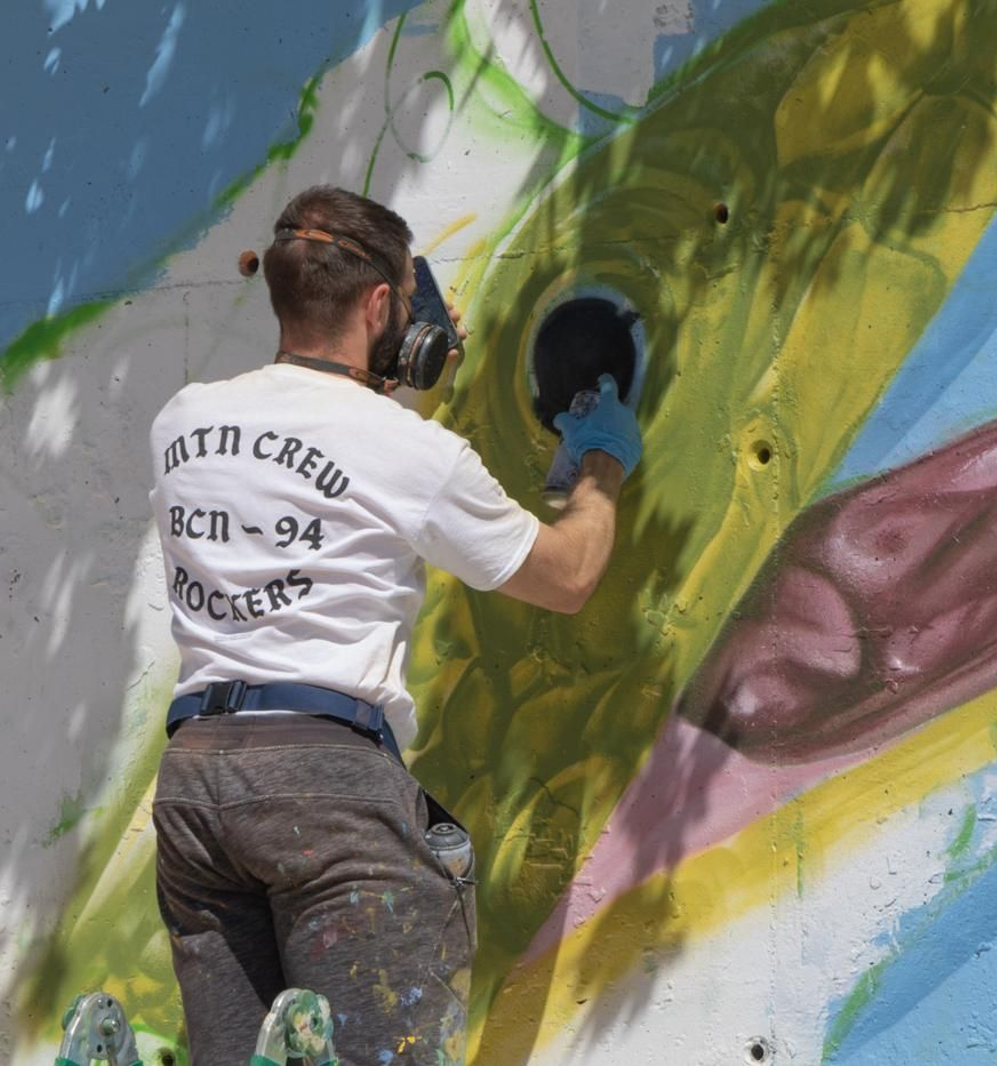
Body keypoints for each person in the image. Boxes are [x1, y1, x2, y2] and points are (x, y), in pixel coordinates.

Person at [147, 185, 642, 1065]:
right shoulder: (411, 452)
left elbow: (315, 457)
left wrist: (383, 368)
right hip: (325, 791)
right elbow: (567, 577)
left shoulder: (181, 421)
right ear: (383, 306)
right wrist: (600, 463)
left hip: (195, 790)